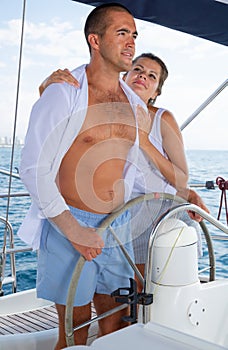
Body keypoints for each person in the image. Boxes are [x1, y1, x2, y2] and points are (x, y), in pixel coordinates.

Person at [18, 4, 147, 348]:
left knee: (115, 320)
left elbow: (134, 168)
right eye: (122, 33)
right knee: (73, 329)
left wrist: (184, 195)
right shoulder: (64, 93)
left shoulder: (134, 103)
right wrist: (73, 230)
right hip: (71, 222)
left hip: (118, 225)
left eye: (134, 35)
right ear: (95, 40)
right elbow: (33, 167)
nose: (131, 42)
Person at [39, 53, 209, 288]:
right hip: (122, 214)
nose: (143, 77)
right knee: (136, 292)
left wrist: (145, 141)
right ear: (125, 76)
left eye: (152, 76)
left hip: (161, 213)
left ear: (156, 91)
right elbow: (61, 125)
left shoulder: (162, 119)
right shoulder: (105, 112)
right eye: (138, 70)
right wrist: (46, 88)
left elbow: (182, 179)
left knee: (162, 291)